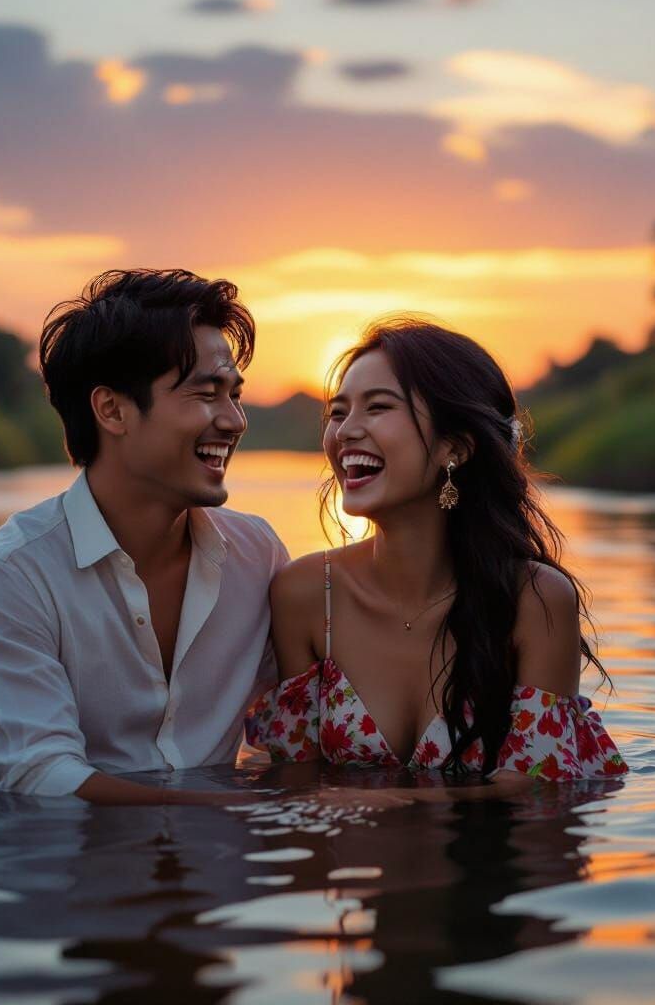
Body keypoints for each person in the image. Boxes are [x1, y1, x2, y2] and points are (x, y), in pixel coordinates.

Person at [0, 269, 288, 804]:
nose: (235, 420)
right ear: (111, 410)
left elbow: (293, 729)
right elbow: (38, 781)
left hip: (222, 878)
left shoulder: (257, 556)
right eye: (206, 393)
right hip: (58, 870)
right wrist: (258, 812)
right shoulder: (7, 579)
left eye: (235, 395)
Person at [246, 317, 627, 782]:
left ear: (455, 447)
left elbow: (536, 801)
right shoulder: (304, 594)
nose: (345, 431)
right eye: (338, 412)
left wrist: (387, 804)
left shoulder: (535, 600)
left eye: (378, 407)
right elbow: (293, 782)